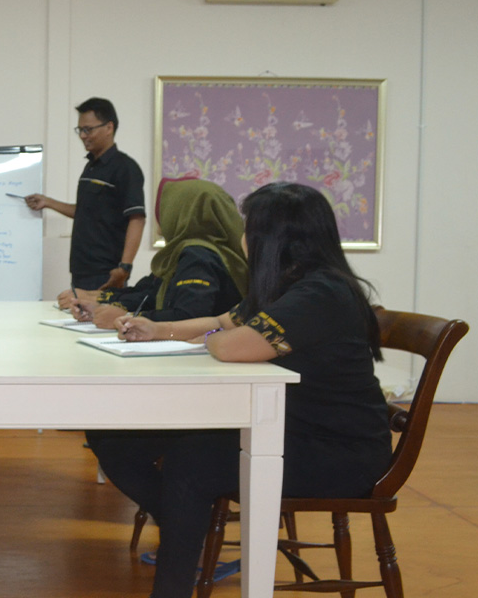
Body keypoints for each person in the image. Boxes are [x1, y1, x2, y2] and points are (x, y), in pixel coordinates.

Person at [95, 182, 392, 598]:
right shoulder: (288, 283)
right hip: (290, 427)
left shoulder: (320, 293)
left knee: (192, 462)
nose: (242, 236)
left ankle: (177, 565)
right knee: (116, 438)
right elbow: (223, 322)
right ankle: (183, 522)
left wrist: (214, 336)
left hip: (340, 452)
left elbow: (230, 344)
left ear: (272, 238)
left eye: (248, 227)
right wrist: (160, 330)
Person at [70, 178, 247, 329]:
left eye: (168, 206)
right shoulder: (201, 252)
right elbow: (150, 295)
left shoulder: (199, 256)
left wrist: (127, 318)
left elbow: (188, 316)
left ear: (182, 212)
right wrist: (102, 304)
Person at [24, 97, 145, 308]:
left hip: (106, 272)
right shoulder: (91, 167)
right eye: (79, 130)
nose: (82, 136)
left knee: (100, 322)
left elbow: (137, 218)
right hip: (81, 269)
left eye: (88, 130)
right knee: (79, 319)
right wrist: (48, 202)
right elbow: (85, 212)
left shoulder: (126, 168)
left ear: (109, 127)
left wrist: (124, 267)